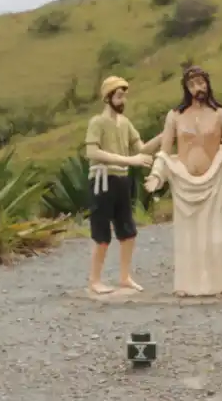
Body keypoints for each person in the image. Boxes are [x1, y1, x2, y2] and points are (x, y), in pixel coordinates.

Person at [144, 66, 222, 297]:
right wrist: (156, 175)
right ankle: (188, 285)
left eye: (201, 83)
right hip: (184, 184)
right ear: (186, 88)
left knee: (218, 237)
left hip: (216, 183)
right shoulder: (174, 116)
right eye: (192, 84)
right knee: (188, 238)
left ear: (208, 84)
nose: (198, 88)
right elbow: (164, 152)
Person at [85, 76, 161, 294]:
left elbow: (142, 148)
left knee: (128, 231)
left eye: (123, 96)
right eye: (118, 96)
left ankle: (125, 276)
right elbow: (92, 152)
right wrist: (130, 160)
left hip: (122, 180)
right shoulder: (97, 122)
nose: (122, 100)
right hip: (102, 179)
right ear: (108, 98)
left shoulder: (125, 123)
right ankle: (95, 280)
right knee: (101, 232)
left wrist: (165, 133)